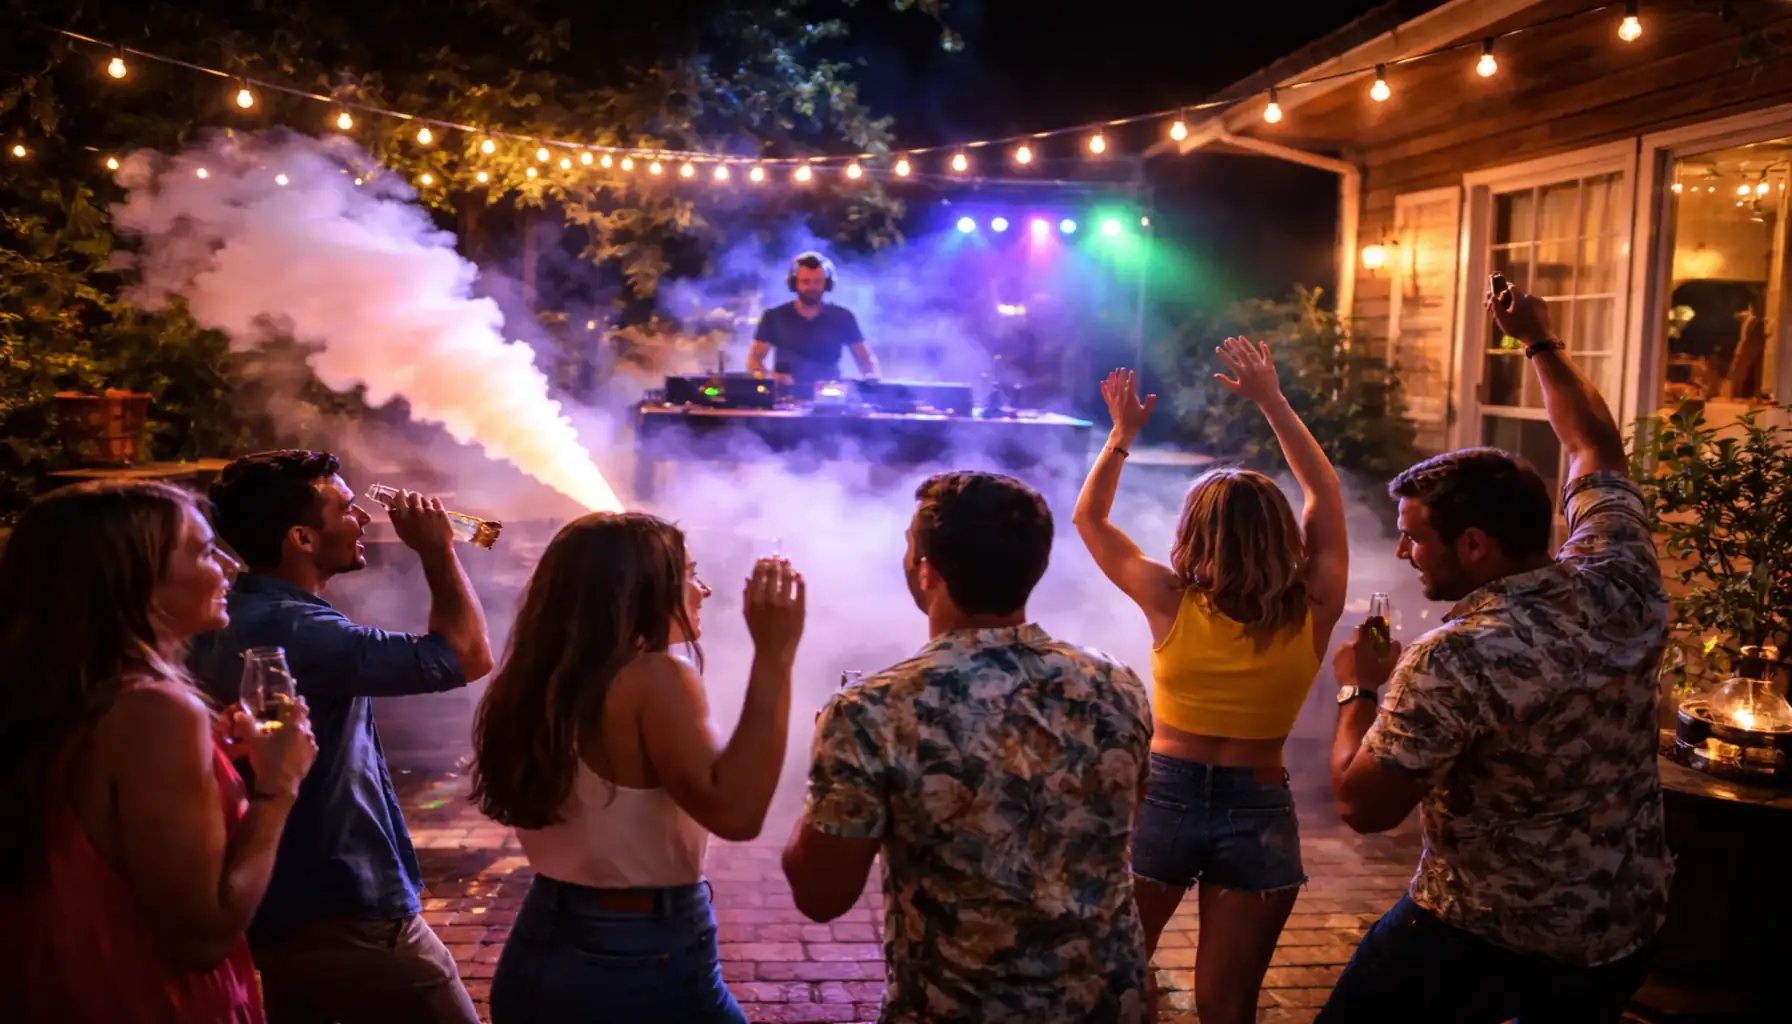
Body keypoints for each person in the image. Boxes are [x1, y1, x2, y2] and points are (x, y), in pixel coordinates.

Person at [1321, 284, 1673, 1023]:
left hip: (1484, 937)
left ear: (1475, 545)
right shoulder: (1623, 571)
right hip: (1622, 928)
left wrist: (1356, 692)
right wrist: (1538, 342)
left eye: (1415, 536)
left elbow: (1363, 806)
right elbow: (1592, 447)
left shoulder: (1456, 658)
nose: (1403, 551)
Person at [782, 471, 1153, 1024]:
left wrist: (831, 779)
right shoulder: (1116, 683)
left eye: (911, 547)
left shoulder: (873, 710)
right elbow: (1119, 824)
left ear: (926, 571)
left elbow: (820, 895)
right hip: (1105, 1004)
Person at [1072, 340, 1349, 1024]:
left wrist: (1121, 436)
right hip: (1257, 805)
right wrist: (1273, 402)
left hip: (1163, 795)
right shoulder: (1312, 606)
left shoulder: (1169, 597)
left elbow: (1091, 521)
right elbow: (1325, 493)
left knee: (1113, 986)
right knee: (1227, 1010)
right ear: (1282, 533)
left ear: (1192, 531)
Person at [192, 451, 495, 1024]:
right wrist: (438, 551)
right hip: (344, 905)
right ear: (302, 537)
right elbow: (464, 656)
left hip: (277, 902)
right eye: (348, 510)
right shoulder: (294, 628)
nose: (364, 521)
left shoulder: (233, 612)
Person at [0, 481, 317, 1023]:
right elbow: (203, 938)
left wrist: (204, 756)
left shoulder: (55, 698)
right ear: (136, 583)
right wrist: (277, 788)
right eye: (202, 550)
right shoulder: (155, 711)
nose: (230, 566)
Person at [473, 515, 805, 1024]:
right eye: (689, 574)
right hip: (636, 958)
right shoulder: (657, 676)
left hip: (543, 941)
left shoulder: (539, 676)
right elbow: (737, 813)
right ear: (644, 590)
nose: (703, 589)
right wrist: (775, 654)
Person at [746, 251, 879, 393]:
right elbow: (755, 358)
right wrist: (767, 377)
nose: (811, 287)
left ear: (827, 283)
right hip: (783, 396)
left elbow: (866, 359)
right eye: (805, 281)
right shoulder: (773, 316)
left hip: (830, 397)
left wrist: (870, 379)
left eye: (817, 281)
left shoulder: (843, 317)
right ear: (793, 283)